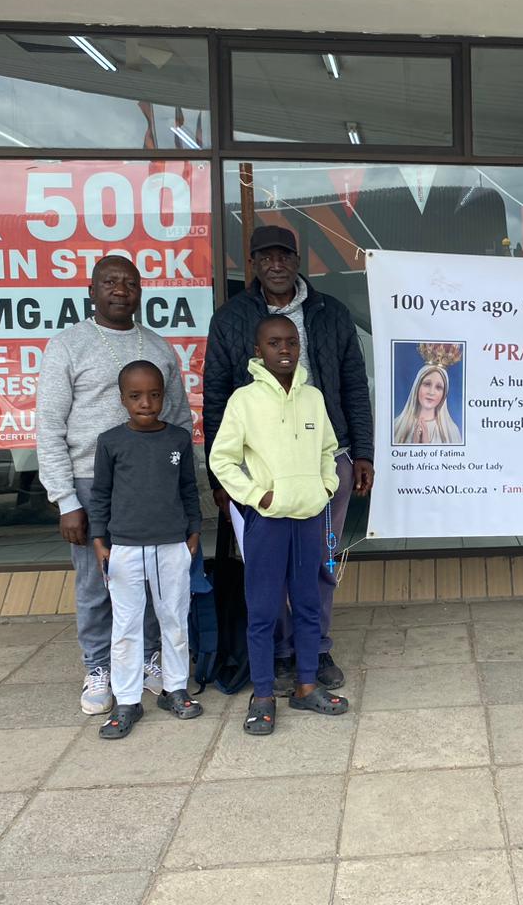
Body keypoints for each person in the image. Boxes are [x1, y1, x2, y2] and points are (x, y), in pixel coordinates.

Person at [204, 225, 374, 695]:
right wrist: (222, 480)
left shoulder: (329, 312)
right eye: (265, 257)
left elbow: (354, 383)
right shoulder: (232, 317)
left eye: (284, 256)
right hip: (263, 472)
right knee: (268, 568)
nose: (275, 264)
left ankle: (315, 649)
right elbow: (216, 396)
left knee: (319, 562)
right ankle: (279, 654)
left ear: (298, 261)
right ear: (253, 264)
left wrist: (362, 452)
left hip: (327, 460)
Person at [37, 255, 193, 715]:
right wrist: (66, 499)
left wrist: (185, 497)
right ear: (92, 290)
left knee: (153, 580)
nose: (120, 290)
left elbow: (180, 420)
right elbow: (49, 426)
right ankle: (99, 667)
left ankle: (147, 659)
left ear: (141, 291)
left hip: (154, 485)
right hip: (91, 484)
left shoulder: (158, 347)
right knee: (97, 583)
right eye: (110, 282)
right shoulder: (68, 345)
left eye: (130, 283)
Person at [210, 315, 349, 735]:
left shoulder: (312, 398)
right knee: (264, 610)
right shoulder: (244, 401)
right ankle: (264, 695)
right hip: (268, 522)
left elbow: (327, 449)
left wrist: (325, 486)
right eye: (274, 343)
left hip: (308, 518)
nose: (284, 349)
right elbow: (222, 459)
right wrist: (258, 496)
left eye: (291, 342)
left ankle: (306, 686)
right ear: (259, 351)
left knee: (308, 605)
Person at [89, 361, 203, 739]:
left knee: (175, 618)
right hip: (124, 546)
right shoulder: (111, 442)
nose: (146, 403)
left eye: (154, 395)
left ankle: (175, 689)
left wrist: (193, 531)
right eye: (136, 396)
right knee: (126, 625)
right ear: (122, 399)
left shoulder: (177, 439)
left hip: (172, 544)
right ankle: (126, 700)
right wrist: (99, 540)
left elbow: (188, 488)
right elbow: (100, 494)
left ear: (164, 396)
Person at [391, 343, 463, 445]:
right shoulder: (396, 426)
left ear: (444, 394)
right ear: (417, 386)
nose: (431, 392)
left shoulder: (451, 431)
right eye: (427, 384)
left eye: (438, 387)